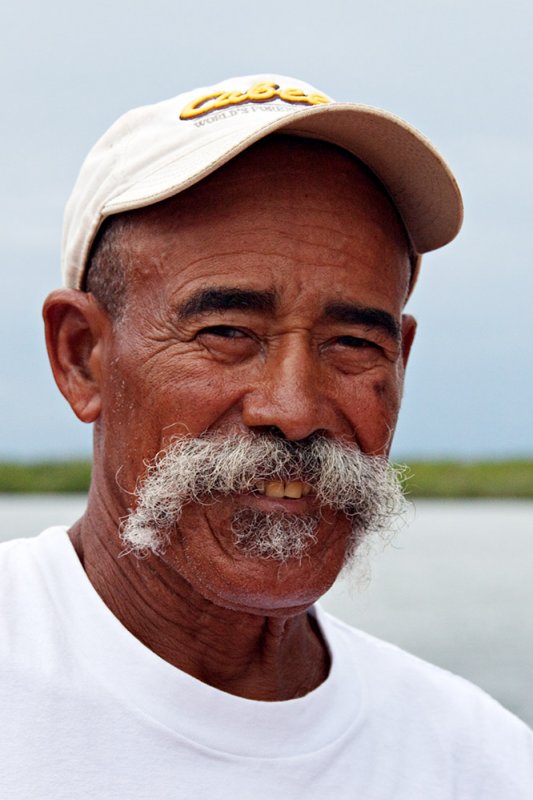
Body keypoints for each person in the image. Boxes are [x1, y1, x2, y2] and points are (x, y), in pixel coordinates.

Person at [1, 74, 531, 799]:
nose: (293, 408)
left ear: (400, 362)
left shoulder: (481, 761)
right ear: (80, 356)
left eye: (351, 343)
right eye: (226, 333)